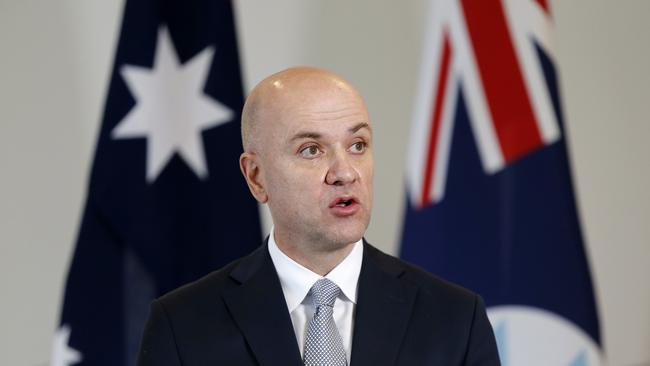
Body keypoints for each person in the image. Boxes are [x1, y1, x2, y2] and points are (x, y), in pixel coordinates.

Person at [136, 67, 501, 366]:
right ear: (256, 177)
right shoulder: (181, 326)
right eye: (311, 150)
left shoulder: (455, 319)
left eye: (358, 145)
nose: (344, 172)